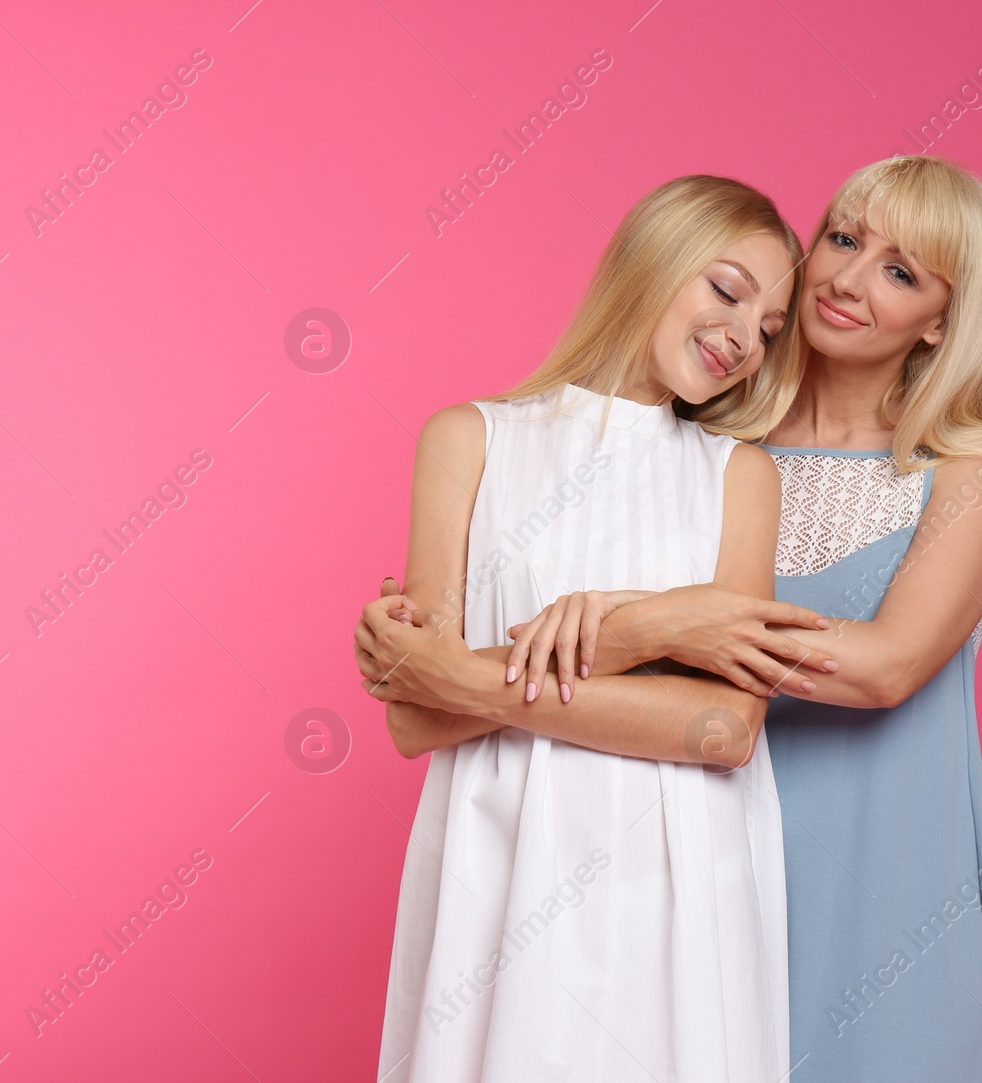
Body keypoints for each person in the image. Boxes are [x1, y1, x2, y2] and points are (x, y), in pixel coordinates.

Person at [361, 155, 982, 1082]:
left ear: (944, 322)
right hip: (690, 842)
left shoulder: (969, 465)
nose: (847, 278)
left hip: (877, 870)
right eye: (843, 239)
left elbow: (886, 667)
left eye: (901, 271)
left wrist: (639, 623)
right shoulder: (717, 448)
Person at [358, 175, 837, 1082]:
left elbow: (724, 730)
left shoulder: (739, 477)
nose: (744, 337)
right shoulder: (469, 439)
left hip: (679, 875)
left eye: (771, 328)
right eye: (727, 290)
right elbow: (415, 719)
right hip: (497, 865)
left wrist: (469, 679)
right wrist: (636, 637)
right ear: (650, 259)